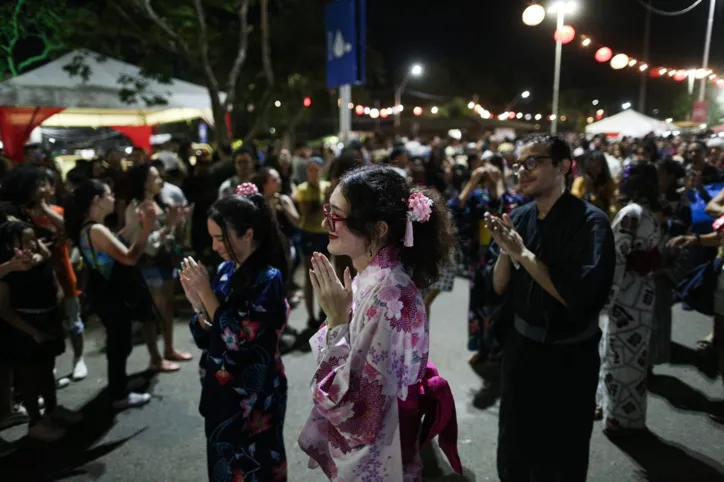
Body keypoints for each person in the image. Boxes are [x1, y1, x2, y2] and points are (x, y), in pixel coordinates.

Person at [298, 165, 461, 481]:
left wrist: (335, 321)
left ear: (378, 228)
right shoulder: (375, 279)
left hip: (380, 447)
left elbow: (358, 407)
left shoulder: (389, 295)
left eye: (337, 216)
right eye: (327, 211)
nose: (325, 223)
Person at [484, 136, 615, 481]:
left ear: (563, 166)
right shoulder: (522, 216)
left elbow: (581, 294)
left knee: (563, 453)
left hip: (570, 357)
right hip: (522, 350)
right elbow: (499, 286)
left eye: (532, 163)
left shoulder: (591, 222)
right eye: (517, 165)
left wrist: (524, 255)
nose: (521, 172)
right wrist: (505, 250)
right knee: (515, 447)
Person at [181, 182, 288, 482]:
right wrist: (198, 304)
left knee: (258, 464)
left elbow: (241, 338)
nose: (214, 246)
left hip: (256, 393)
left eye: (221, 238)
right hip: (222, 388)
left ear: (249, 233)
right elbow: (211, 333)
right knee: (223, 461)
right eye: (213, 238)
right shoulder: (225, 271)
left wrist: (206, 294)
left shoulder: (269, 278)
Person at [65, 180, 156, 409]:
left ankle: (119, 386)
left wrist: (133, 224)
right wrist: (146, 229)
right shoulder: (96, 229)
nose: (113, 198)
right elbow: (128, 257)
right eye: (109, 194)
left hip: (104, 293)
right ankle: (119, 395)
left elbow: (115, 243)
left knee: (118, 342)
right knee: (119, 344)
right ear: (97, 200)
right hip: (111, 295)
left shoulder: (91, 228)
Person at [597, 162, 662, 434]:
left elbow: (617, 258)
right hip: (643, 293)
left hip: (627, 293)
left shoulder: (630, 213)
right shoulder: (646, 212)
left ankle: (618, 418)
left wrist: (606, 299)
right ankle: (628, 416)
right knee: (633, 358)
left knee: (619, 354)